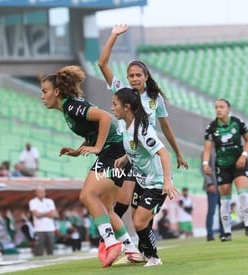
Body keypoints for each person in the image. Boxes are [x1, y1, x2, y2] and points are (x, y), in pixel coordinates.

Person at [40, 66, 141, 268]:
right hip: (118, 154)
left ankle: (111, 243)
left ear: (57, 92)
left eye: (45, 91)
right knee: (106, 208)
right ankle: (131, 249)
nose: (42, 96)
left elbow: (105, 117)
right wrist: (80, 150)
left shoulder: (70, 107)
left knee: (87, 195)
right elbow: (94, 129)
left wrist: (96, 147)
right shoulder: (70, 109)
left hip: (114, 152)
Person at [98, 24, 188, 223]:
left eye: (139, 75)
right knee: (121, 203)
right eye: (131, 75)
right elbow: (102, 63)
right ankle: (119, 242)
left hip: (144, 155)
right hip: (126, 152)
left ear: (146, 77)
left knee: (134, 209)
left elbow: (165, 127)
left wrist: (178, 153)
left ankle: (137, 243)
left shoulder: (155, 99)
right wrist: (114, 35)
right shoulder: (121, 91)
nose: (134, 78)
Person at [111, 87, 179, 267]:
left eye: (114, 104)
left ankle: (154, 258)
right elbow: (136, 148)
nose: (112, 108)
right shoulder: (125, 125)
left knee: (139, 221)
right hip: (142, 180)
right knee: (139, 220)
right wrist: (125, 158)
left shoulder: (142, 129)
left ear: (126, 107)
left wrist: (166, 181)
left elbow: (164, 153)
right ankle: (144, 253)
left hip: (156, 182)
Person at [202, 98, 248, 241]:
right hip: (222, 165)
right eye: (216, 107)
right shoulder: (211, 127)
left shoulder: (238, 123)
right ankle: (226, 232)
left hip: (239, 163)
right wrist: (205, 163)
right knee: (225, 199)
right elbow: (207, 148)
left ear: (228, 109)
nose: (218, 109)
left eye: (221, 107)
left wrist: (244, 155)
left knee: (243, 194)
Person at [201, 150, 224, 241]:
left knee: (223, 210)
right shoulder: (207, 152)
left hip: (223, 185)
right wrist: (209, 183)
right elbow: (203, 168)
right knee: (211, 211)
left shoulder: (221, 149)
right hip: (212, 186)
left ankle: (224, 232)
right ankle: (209, 234)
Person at [28, 186, 57, 256]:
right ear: (36, 193)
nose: (42, 193)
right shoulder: (33, 202)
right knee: (39, 250)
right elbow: (36, 215)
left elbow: (53, 214)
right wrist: (48, 213)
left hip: (50, 229)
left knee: (51, 250)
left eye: (43, 192)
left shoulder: (49, 201)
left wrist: (42, 214)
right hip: (39, 229)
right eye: (40, 192)